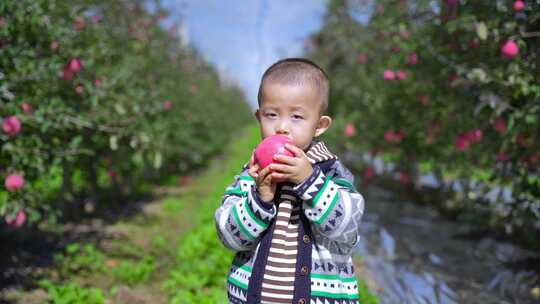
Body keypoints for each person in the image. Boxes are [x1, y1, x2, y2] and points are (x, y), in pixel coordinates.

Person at [214, 58, 365, 304]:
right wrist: (259, 200)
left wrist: (310, 181)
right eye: (272, 115)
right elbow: (228, 237)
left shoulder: (332, 174)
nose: (282, 127)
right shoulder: (250, 177)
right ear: (259, 117)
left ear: (319, 125)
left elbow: (347, 227)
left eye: (296, 117)